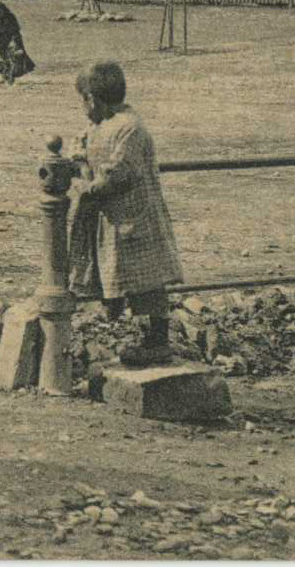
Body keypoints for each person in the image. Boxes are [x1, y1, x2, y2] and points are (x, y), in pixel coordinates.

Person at [68, 61, 185, 367]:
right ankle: (140, 335)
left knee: (148, 282)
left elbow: (117, 176)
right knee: (123, 276)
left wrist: (85, 185)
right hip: (116, 220)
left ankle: (158, 342)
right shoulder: (101, 126)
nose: (82, 108)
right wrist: (81, 159)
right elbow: (88, 157)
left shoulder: (129, 128)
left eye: (82, 100)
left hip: (137, 218)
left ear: (92, 99)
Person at [0, 1, 36, 84]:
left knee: (15, 59)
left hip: (13, 39)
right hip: (3, 40)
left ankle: (11, 76)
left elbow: (15, 31)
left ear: (3, 10)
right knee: (3, 58)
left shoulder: (10, 17)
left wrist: (15, 43)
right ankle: (5, 76)